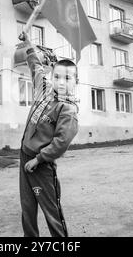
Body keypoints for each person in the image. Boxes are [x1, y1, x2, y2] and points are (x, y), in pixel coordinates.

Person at [18, 32, 79, 237]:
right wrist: (28, 44)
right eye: (57, 77)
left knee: (51, 211)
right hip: (24, 157)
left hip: (41, 166)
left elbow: (61, 142)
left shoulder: (68, 110)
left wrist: (39, 159)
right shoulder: (44, 90)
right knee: (27, 209)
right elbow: (36, 66)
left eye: (67, 78)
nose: (61, 82)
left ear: (75, 82)